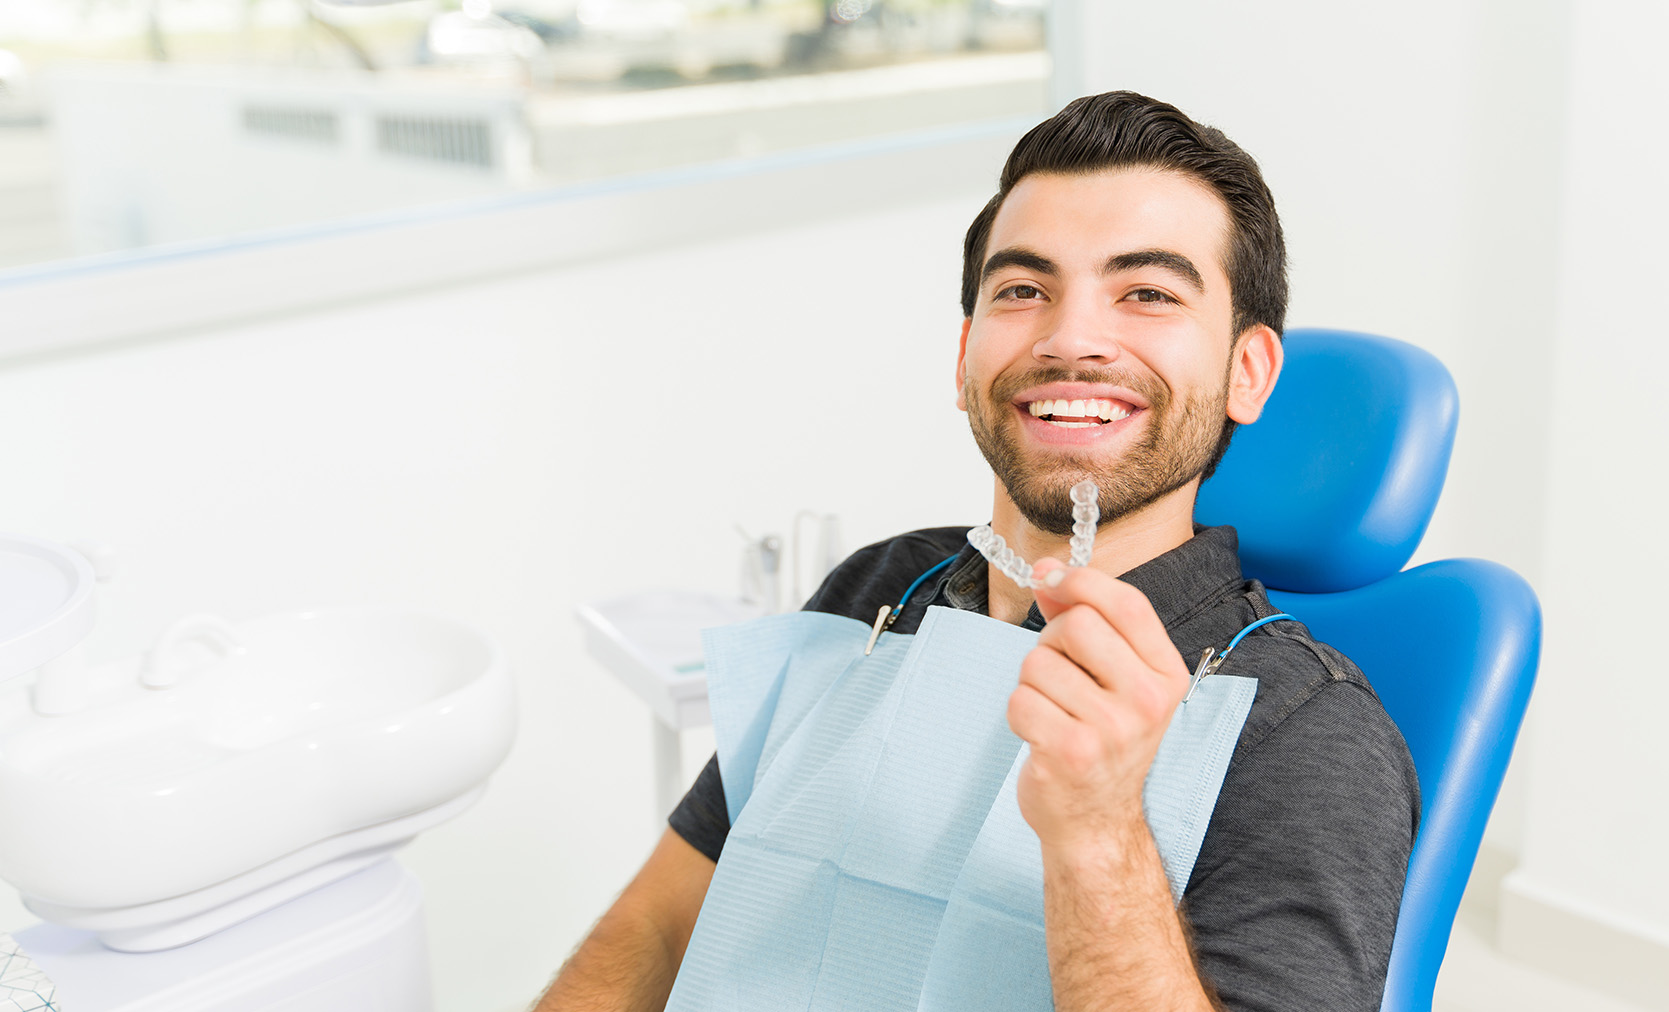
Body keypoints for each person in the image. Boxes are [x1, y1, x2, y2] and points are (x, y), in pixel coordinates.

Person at [535, 91, 1419, 1012]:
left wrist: (1100, 832)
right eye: (1023, 290)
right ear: (965, 358)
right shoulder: (875, 593)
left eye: (1148, 294)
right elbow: (661, 921)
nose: (1071, 339)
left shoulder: (1309, 733)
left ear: (1248, 372)